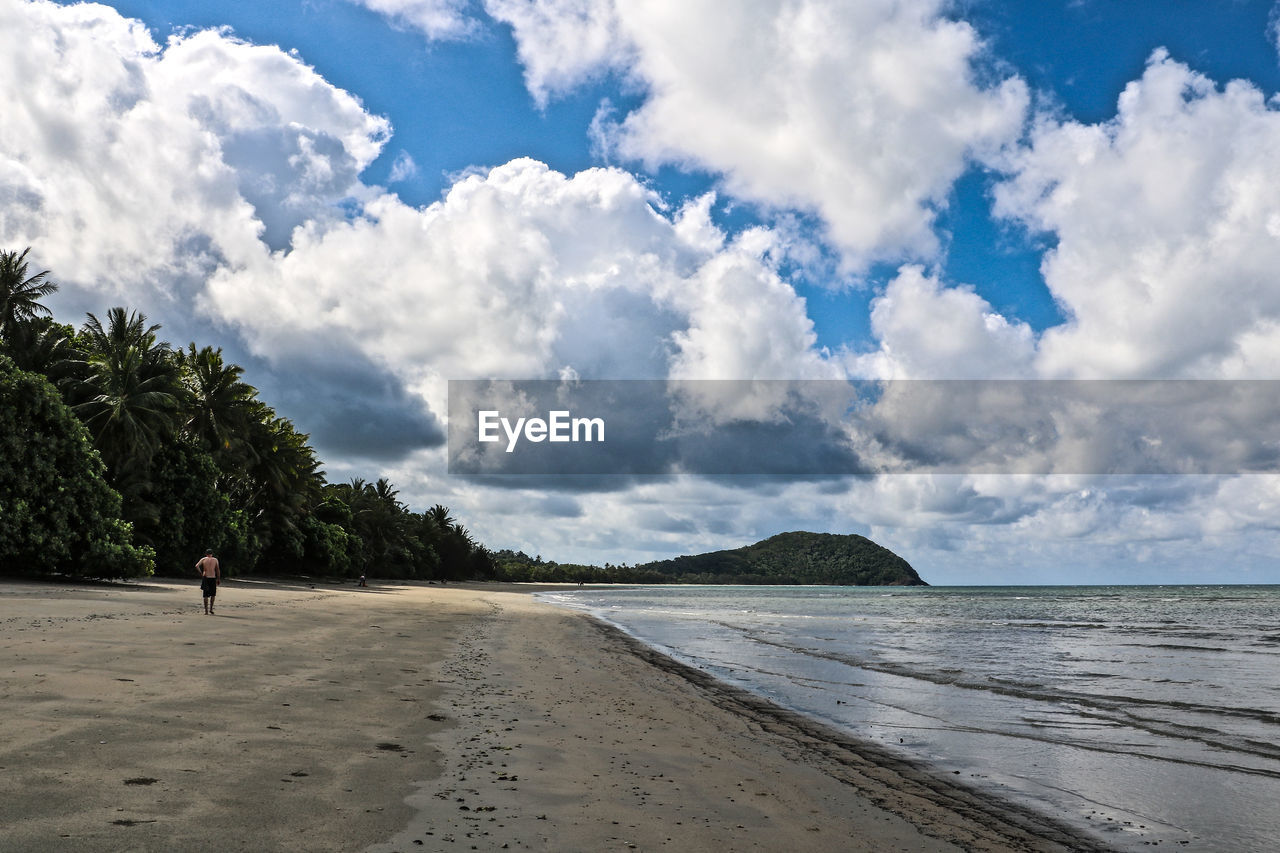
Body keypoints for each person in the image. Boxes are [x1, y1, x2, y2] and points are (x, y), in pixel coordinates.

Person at [195, 549, 220, 615]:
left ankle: (206, 611)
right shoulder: (215, 560)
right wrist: (218, 578)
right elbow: (217, 569)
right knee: (213, 594)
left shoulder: (203, 559)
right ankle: (211, 609)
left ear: (206, 554)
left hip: (205, 577)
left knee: (205, 595)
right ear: (212, 554)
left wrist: (201, 573)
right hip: (212, 577)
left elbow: (196, 566)